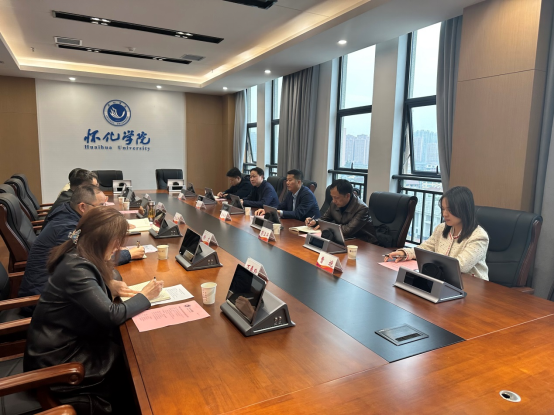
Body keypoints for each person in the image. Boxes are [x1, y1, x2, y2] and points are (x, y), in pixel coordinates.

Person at [24, 206, 164, 414]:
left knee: (132, 353)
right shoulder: (77, 268)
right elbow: (111, 315)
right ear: (103, 241)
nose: (118, 248)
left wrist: (109, 284)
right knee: (138, 363)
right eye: (116, 243)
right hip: (59, 363)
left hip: (68, 344)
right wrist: (145, 296)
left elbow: (110, 275)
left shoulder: (77, 251)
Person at [19, 186, 145, 300]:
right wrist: (127, 254)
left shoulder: (70, 214)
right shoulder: (67, 228)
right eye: (100, 205)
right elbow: (86, 259)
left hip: (60, 288)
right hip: (43, 296)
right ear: (83, 207)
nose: (103, 210)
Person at [385, 186, 490, 281]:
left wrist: (431, 261)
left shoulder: (478, 236)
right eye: (443, 209)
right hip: (444, 280)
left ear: (464, 209)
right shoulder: (441, 228)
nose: (444, 214)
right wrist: (405, 253)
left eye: (450, 210)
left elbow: (460, 266)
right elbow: (425, 248)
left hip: (472, 286)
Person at [305, 179, 377, 243]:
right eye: (332, 197)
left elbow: (347, 230)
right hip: (345, 239)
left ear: (347, 196)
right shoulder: (334, 203)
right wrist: (315, 222)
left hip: (364, 243)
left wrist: (325, 227)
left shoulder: (362, 208)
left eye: (336, 197)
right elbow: (324, 219)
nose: (333, 201)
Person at [255, 170, 320, 222]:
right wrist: (268, 210)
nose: (287, 183)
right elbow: (281, 206)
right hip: (294, 223)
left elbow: (298, 214)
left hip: (308, 226)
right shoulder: (290, 192)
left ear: (298, 182)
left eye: (290, 180)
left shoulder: (307, 195)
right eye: (287, 180)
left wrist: (278, 212)